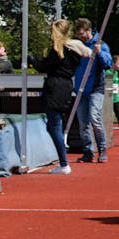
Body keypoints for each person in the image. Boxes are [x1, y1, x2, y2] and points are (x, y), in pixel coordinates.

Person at [28, 19, 92, 175]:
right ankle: (62, 158)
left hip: (54, 88)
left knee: (54, 126)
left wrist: (32, 59)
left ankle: (64, 163)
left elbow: (43, 66)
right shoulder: (74, 49)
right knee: (54, 125)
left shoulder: (58, 50)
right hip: (66, 87)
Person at [72, 17, 113, 163]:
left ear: (89, 31)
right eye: (78, 35)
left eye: (82, 34)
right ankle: (88, 151)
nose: (80, 37)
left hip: (96, 87)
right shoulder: (78, 45)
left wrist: (99, 52)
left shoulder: (100, 44)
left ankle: (102, 149)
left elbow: (108, 64)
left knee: (94, 118)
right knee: (83, 122)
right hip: (81, 89)